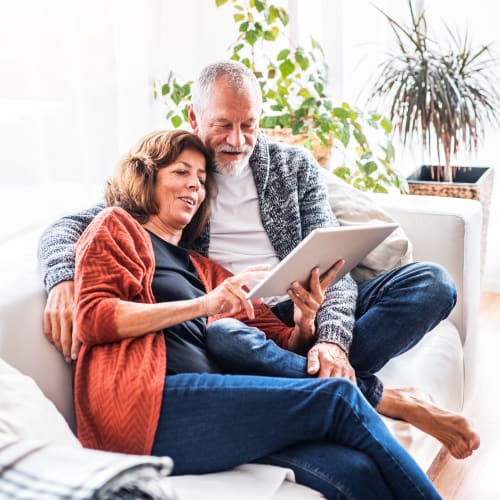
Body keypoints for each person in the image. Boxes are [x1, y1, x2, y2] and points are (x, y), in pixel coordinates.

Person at [38, 60, 479, 460]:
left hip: (307, 302)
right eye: (223, 125)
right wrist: (62, 280)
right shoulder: (176, 173)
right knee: (228, 338)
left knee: (432, 284)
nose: (237, 140)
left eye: (248, 125)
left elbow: (336, 266)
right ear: (194, 118)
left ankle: (317, 375)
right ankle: (373, 396)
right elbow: (72, 226)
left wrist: (330, 338)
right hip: (240, 318)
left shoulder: (293, 167)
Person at [72, 127, 442, 499]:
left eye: (201, 179)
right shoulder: (116, 227)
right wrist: (205, 305)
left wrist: (303, 322)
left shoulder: (205, 269)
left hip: (220, 403)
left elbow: (280, 343)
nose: (194, 187)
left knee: (354, 471)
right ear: (146, 175)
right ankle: (379, 398)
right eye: (181, 172)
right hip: (150, 406)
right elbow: (93, 318)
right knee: (338, 398)